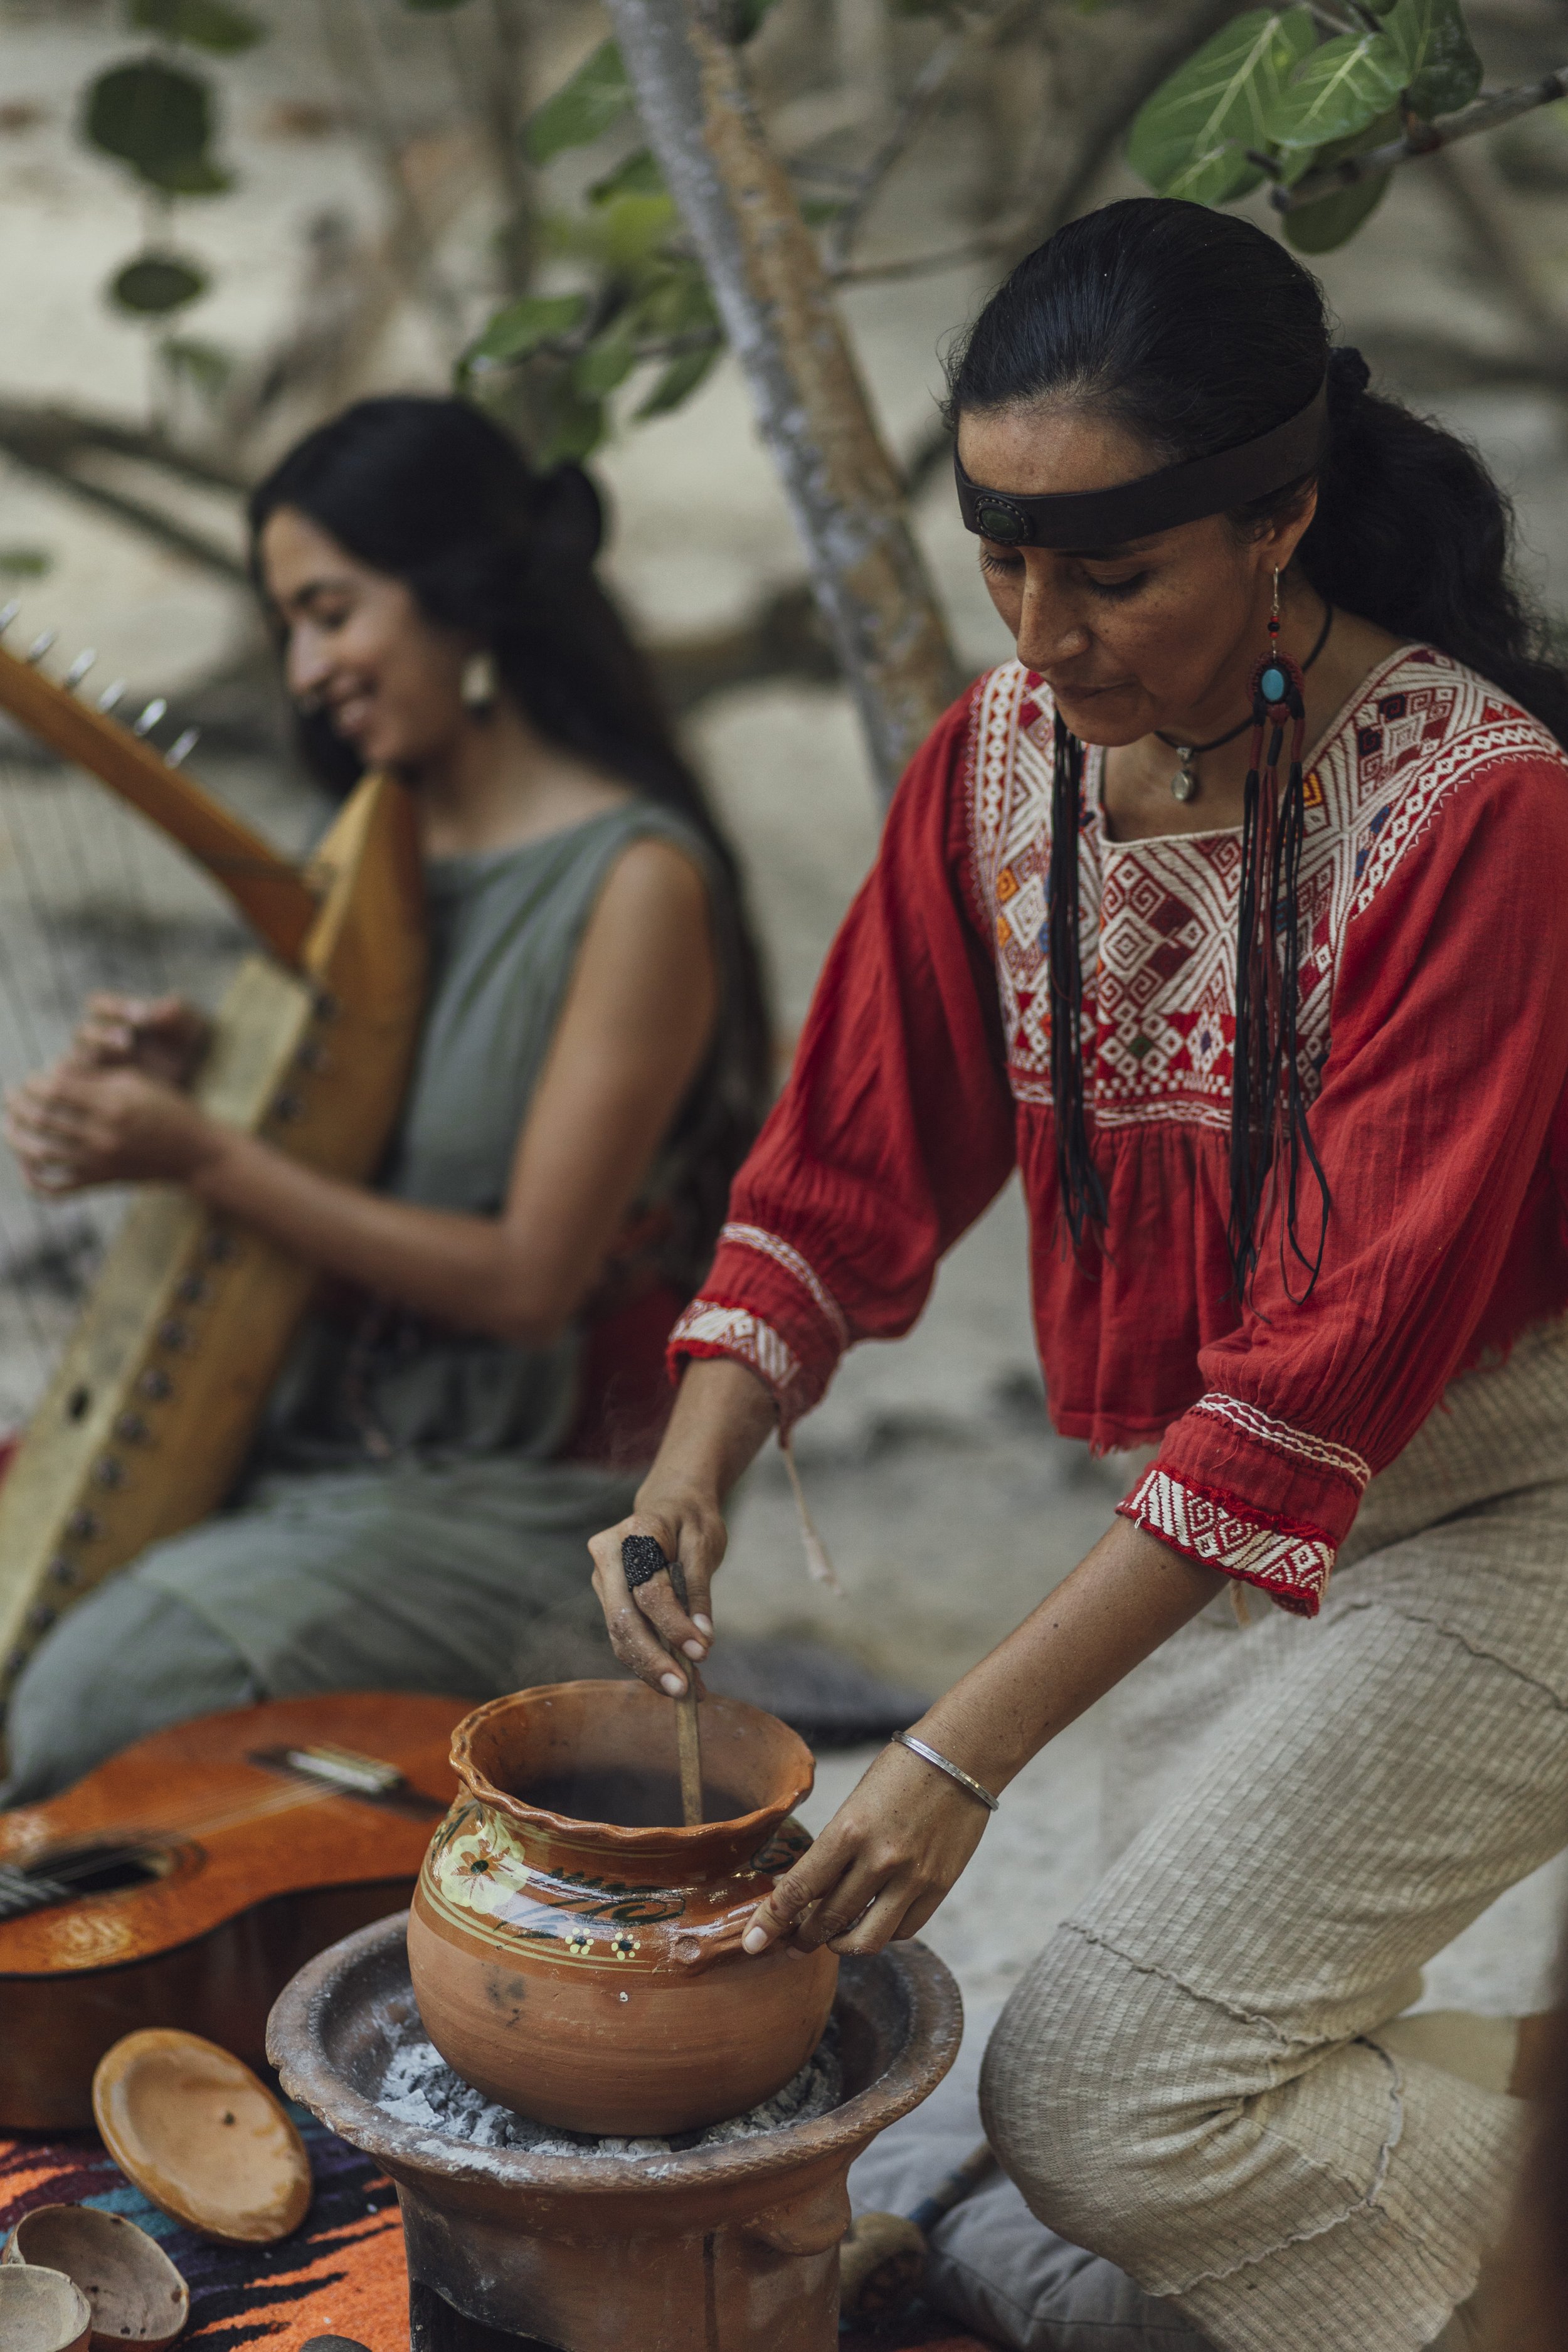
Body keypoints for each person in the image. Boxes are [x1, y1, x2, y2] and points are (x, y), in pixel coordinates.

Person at [587, 199, 1568, 2351]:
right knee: (1137, 2121)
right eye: (1004, 561)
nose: (1043, 635)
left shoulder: (1480, 815)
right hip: (1240, 1544)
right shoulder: (1003, 764)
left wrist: (955, 1754)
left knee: (1108, 2113)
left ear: (1282, 517)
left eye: (1113, 573)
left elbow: (1315, 1381)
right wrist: (692, 1468)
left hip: (1514, 1519)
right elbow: (845, 1161)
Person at [0, 393, 770, 1806]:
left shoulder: (633, 884)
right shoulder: (376, 853)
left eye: (330, 612)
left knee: (83, 1699)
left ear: (461, 597)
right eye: (287, 624)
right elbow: (336, 1130)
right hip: (299, 1444)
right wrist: (186, 1078)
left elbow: (529, 1281)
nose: (303, 668)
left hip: (497, 1499)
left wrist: (201, 1153)